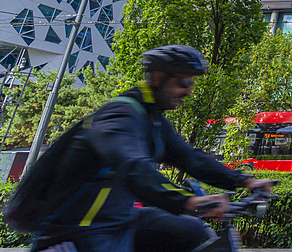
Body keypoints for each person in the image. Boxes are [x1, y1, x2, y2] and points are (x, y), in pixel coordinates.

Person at [30, 45, 274, 252]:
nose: (188, 91)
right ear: (158, 78)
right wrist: (189, 201)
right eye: (183, 81)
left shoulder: (153, 119)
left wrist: (245, 181)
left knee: (191, 231)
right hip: (78, 228)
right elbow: (133, 167)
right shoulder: (120, 115)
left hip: (118, 219)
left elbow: (191, 158)